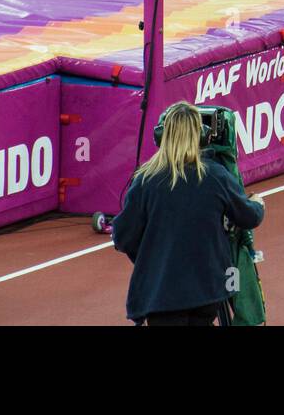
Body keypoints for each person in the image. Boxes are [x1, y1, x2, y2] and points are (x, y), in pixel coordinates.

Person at [113, 102, 265, 326]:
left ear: (161, 136)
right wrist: (258, 204)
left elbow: (123, 237)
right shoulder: (215, 176)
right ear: (201, 137)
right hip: (207, 291)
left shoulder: (144, 181)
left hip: (161, 294)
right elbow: (248, 217)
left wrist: (151, 259)